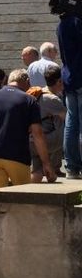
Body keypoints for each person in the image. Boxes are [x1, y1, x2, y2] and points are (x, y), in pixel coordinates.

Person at [0, 69, 56, 188]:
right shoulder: (30, 100)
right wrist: (46, 163)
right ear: (27, 81)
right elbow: (38, 135)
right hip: (17, 157)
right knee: (22, 201)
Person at [29, 66, 66, 182]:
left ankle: (31, 193)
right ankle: (65, 165)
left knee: (37, 172)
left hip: (32, 141)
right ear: (59, 81)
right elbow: (67, 118)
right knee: (70, 129)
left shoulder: (40, 93)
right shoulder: (52, 99)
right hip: (44, 141)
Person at [57, 10, 82, 178]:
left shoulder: (61, 25)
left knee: (71, 123)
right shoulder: (77, 22)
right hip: (81, 76)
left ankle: (72, 167)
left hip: (69, 78)